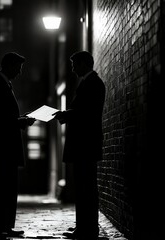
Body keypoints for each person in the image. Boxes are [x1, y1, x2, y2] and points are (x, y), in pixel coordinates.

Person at [53, 51, 106, 240]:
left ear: (84, 63)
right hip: (84, 145)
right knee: (83, 188)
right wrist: (67, 114)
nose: (73, 69)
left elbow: (87, 114)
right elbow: (82, 111)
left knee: (87, 188)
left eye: (75, 64)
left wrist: (66, 114)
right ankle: (83, 227)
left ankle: (88, 229)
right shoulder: (88, 83)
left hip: (85, 145)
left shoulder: (93, 83)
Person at [0, 52, 36, 240]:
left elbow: (5, 117)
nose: (20, 72)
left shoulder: (2, 84)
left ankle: (5, 225)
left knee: (8, 187)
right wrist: (20, 122)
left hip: (6, 147)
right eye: (19, 68)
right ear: (10, 66)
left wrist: (20, 119)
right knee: (0, 187)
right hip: (2, 148)